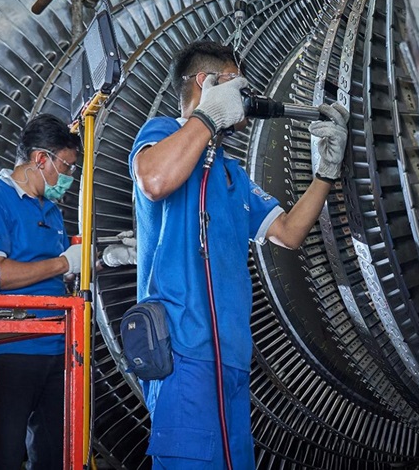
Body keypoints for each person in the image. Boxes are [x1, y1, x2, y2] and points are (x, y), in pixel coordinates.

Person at [129, 41, 347, 468]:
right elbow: (154, 179)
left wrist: (326, 172)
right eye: (235, 85)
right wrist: (208, 116)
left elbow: (288, 232)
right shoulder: (161, 134)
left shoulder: (231, 173)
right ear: (204, 82)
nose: (245, 100)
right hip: (183, 354)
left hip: (232, 361)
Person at [0, 113, 83, 469]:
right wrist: (63, 263)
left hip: (55, 348)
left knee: (52, 456)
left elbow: (53, 274)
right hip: (5, 347)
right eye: (66, 166)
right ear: (40, 159)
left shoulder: (52, 211)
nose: (68, 178)